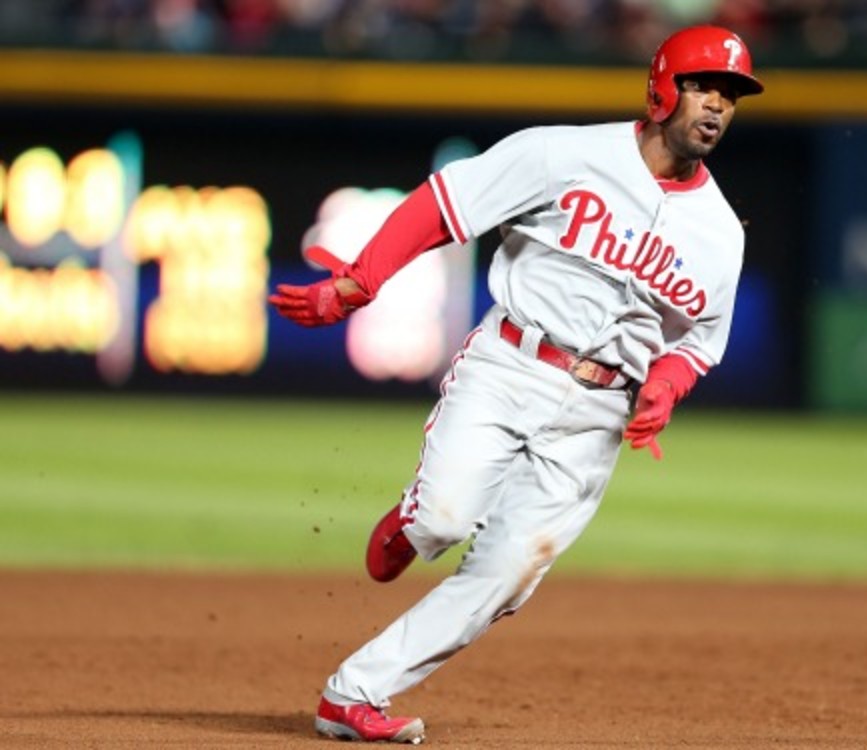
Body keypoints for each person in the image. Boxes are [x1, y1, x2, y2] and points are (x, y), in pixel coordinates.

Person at [269, 24, 764, 744]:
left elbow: (699, 340)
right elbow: (443, 205)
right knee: (443, 519)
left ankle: (353, 694)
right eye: (703, 86)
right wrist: (357, 281)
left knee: (503, 573)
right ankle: (414, 524)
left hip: (598, 414)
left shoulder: (722, 232)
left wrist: (666, 386)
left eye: (730, 94)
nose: (717, 106)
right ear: (663, 87)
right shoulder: (563, 154)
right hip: (511, 366)